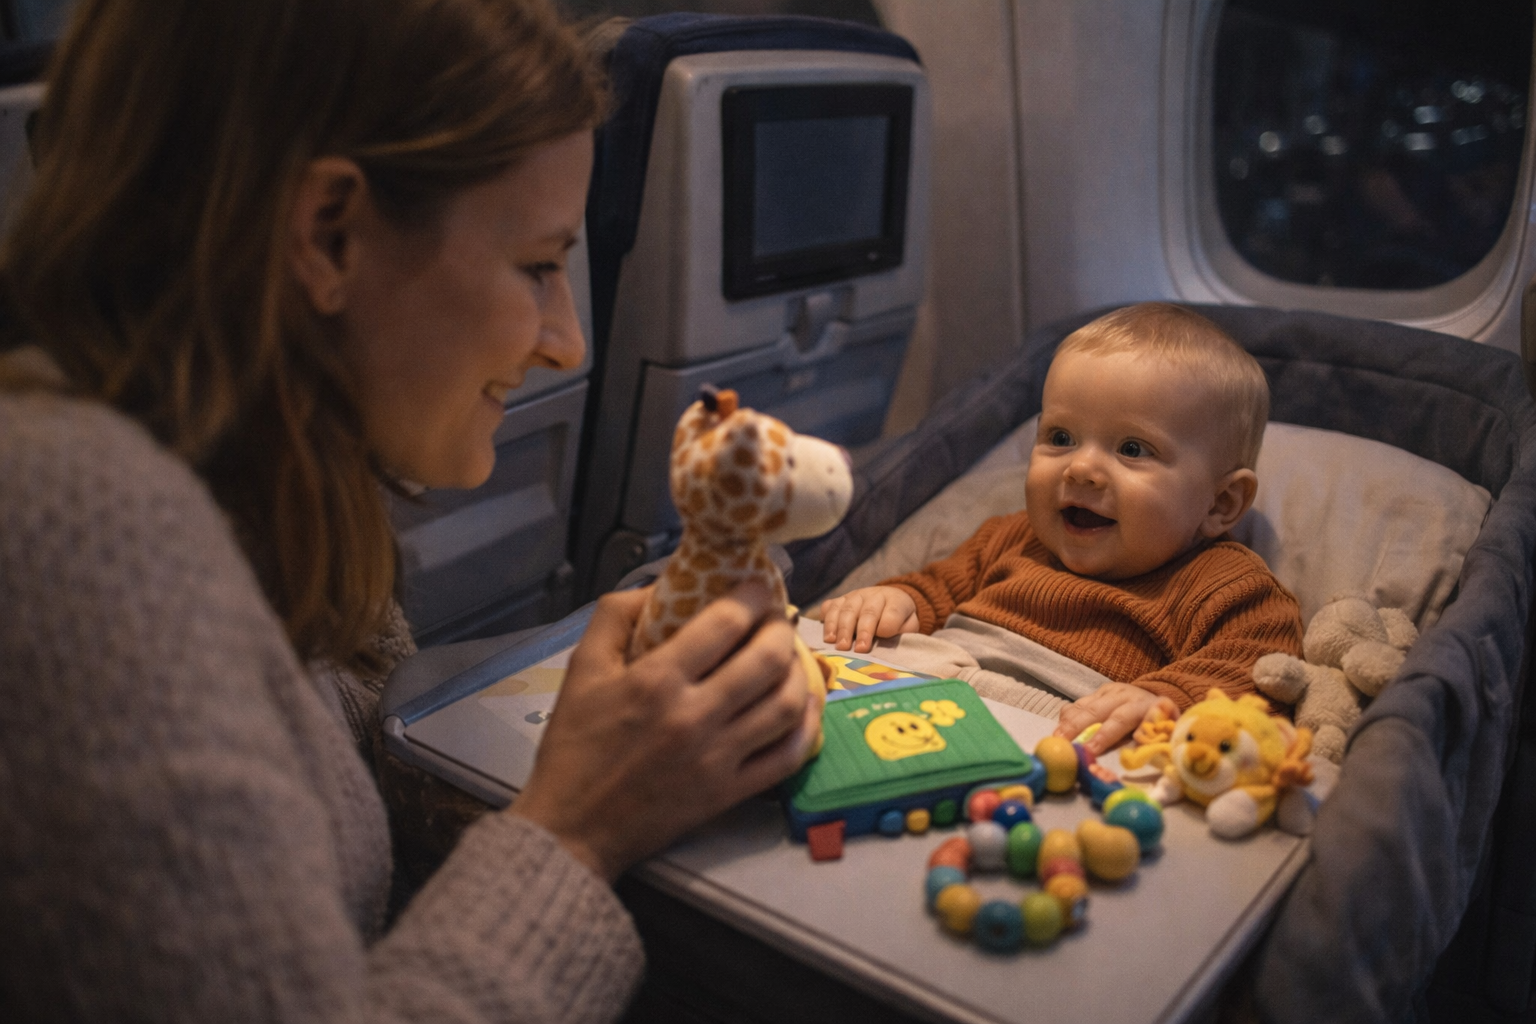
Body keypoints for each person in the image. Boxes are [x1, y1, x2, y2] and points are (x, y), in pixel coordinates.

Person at [0, 1, 816, 1020]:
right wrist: (577, 828)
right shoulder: (84, 540)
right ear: (329, 234)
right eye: (536, 264)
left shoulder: (281, 512)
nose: (566, 341)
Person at [820, 302, 1304, 754]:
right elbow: (935, 591)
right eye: (1061, 438)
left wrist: (1165, 699)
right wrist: (896, 602)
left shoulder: (1226, 584)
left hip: (1062, 720)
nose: (1081, 469)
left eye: (1132, 449)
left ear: (1221, 503)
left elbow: (1258, 669)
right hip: (937, 683)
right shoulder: (1010, 537)